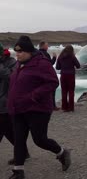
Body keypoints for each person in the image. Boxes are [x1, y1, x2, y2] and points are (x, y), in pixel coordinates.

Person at [8, 36, 71, 179]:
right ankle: (18, 171)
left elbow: (53, 82)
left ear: (30, 52)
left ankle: (62, 152)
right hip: (18, 109)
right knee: (18, 140)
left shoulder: (41, 64)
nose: (17, 54)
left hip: (37, 109)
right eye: (16, 51)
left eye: (21, 52)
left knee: (40, 140)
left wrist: (33, 96)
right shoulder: (19, 64)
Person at [1, 43, 31, 166]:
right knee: (8, 131)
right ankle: (23, 152)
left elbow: (12, 77)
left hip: (6, 102)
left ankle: (22, 153)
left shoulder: (12, 62)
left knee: (4, 129)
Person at [55, 45, 81, 112]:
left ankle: (64, 107)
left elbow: (57, 67)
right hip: (71, 75)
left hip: (63, 75)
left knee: (64, 91)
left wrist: (63, 66)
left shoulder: (60, 57)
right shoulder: (72, 57)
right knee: (71, 91)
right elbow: (78, 66)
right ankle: (71, 108)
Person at [39, 41, 60, 110]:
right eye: (46, 45)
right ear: (43, 46)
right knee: (52, 90)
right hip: (46, 75)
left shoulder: (37, 53)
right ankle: (53, 106)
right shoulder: (45, 54)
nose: (47, 47)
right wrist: (54, 57)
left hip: (39, 75)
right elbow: (49, 64)